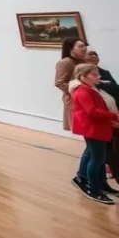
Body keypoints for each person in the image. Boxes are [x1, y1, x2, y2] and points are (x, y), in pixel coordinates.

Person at [70, 63, 119, 204]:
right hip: (92, 128)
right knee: (97, 159)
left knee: (98, 157)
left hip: (97, 127)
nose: (98, 76)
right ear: (83, 76)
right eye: (94, 74)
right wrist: (114, 116)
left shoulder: (90, 88)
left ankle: (100, 184)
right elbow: (91, 111)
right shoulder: (83, 91)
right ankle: (94, 189)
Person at [86, 50, 119, 179]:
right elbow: (91, 110)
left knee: (109, 148)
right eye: (91, 56)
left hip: (111, 113)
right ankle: (94, 183)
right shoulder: (85, 88)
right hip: (103, 118)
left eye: (96, 56)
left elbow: (115, 89)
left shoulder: (104, 73)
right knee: (98, 152)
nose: (94, 58)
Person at [55, 37, 87, 133]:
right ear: (70, 49)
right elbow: (60, 83)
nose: (84, 48)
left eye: (85, 46)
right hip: (75, 101)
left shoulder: (82, 61)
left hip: (87, 99)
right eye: (81, 46)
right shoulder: (65, 62)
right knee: (85, 131)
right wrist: (78, 93)